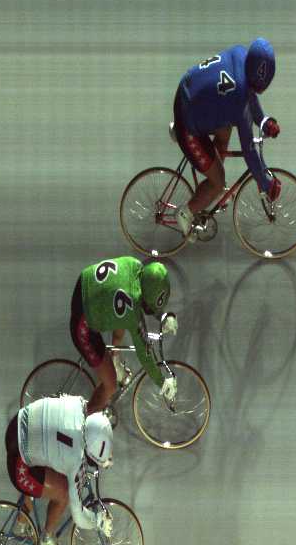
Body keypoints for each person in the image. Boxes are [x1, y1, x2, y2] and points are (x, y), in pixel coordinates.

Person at [172, 37, 282, 237]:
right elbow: (249, 151)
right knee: (218, 182)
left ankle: (212, 185)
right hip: (187, 123)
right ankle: (185, 212)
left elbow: (248, 93)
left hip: (187, 92)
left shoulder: (241, 53)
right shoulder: (239, 101)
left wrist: (264, 121)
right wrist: (266, 184)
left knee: (226, 129)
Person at [5, 394, 113, 545]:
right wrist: (97, 521)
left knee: (51, 464)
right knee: (63, 493)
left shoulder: (81, 405)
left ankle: (21, 523)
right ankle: (47, 539)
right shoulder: (75, 459)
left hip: (19, 422)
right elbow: (78, 517)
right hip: (19, 461)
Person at [72, 257, 178, 416]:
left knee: (121, 318)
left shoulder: (135, 264)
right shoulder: (132, 312)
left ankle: (114, 360)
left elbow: (142, 296)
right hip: (82, 323)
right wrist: (161, 382)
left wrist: (162, 316)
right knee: (110, 386)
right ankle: (82, 420)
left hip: (85, 282)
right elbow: (144, 354)